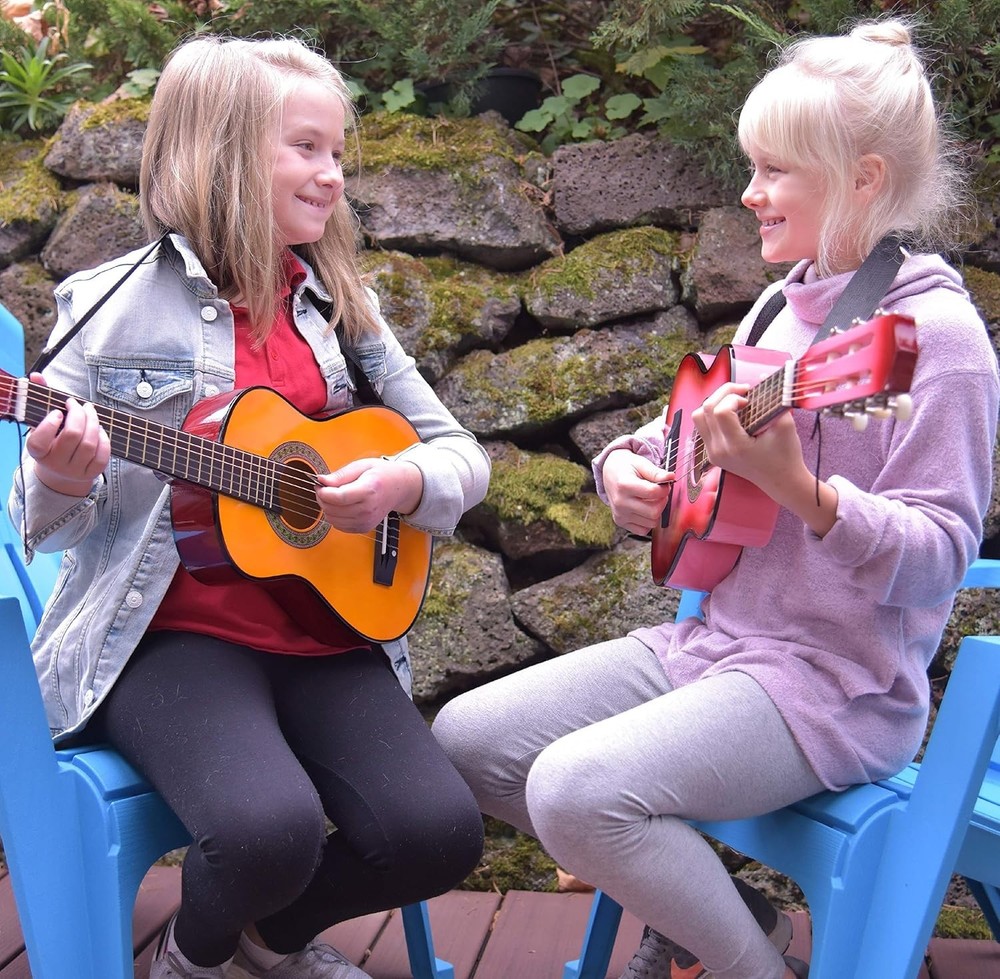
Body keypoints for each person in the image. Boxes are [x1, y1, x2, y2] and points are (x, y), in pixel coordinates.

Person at [432, 17, 999, 979]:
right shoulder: (781, 306)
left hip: (833, 687)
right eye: (753, 166)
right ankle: (742, 921)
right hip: (707, 645)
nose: (750, 193)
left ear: (862, 178)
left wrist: (807, 494)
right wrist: (624, 466)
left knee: (576, 791)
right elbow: (684, 430)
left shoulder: (938, 341)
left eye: (777, 170)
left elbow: (942, 554)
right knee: (465, 744)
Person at [8, 35, 490, 979]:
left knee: (439, 833)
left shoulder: (343, 309)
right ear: (223, 151)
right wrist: (63, 471)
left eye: (339, 154)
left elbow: (460, 455)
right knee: (266, 828)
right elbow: (45, 525)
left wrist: (404, 484)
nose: (333, 177)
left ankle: (268, 939)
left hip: (324, 628)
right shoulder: (108, 307)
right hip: (168, 638)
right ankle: (191, 960)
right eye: (307, 149)